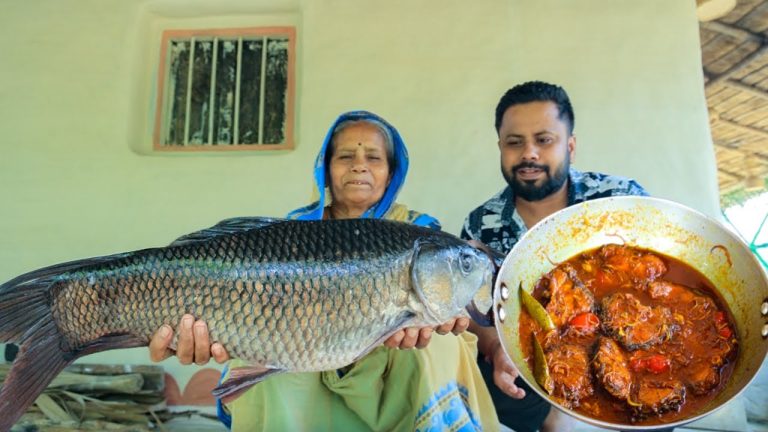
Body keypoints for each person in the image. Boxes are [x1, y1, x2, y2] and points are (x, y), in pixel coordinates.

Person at [149, 110, 499, 431]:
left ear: (391, 172)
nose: (359, 166)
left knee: (436, 343)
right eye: (346, 156)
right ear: (326, 170)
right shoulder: (295, 231)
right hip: (307, 352)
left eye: (374, 158)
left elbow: (459, 317)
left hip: (392, 371)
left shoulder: (421, 234)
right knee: (270, 356)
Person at [461, 81, 649, 432]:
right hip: (530, 368)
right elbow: (473, 310)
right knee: (493, 380)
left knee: (651, 399)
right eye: (514, 142)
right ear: (500, 147)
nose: (528, 153)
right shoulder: (480, 225)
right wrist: (494, 349)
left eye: (544, 140)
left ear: (571, 146)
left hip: (632, 353)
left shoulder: (619, 198)